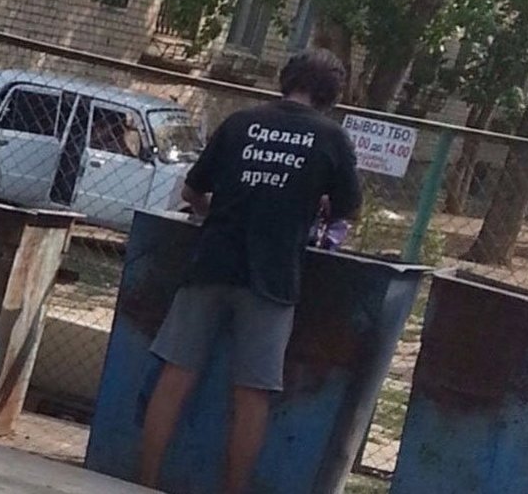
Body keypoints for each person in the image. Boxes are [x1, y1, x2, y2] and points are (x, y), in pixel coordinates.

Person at [139, 48, 363, 493]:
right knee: (252, 393)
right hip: (273, 278)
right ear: (332, 94)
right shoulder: (332, 139)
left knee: (176, 374)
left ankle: (143, 482)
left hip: (212, 262)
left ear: (286, 79)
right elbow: (346, 212)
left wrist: (215, 212)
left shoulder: (241, 122)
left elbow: (192, 191)